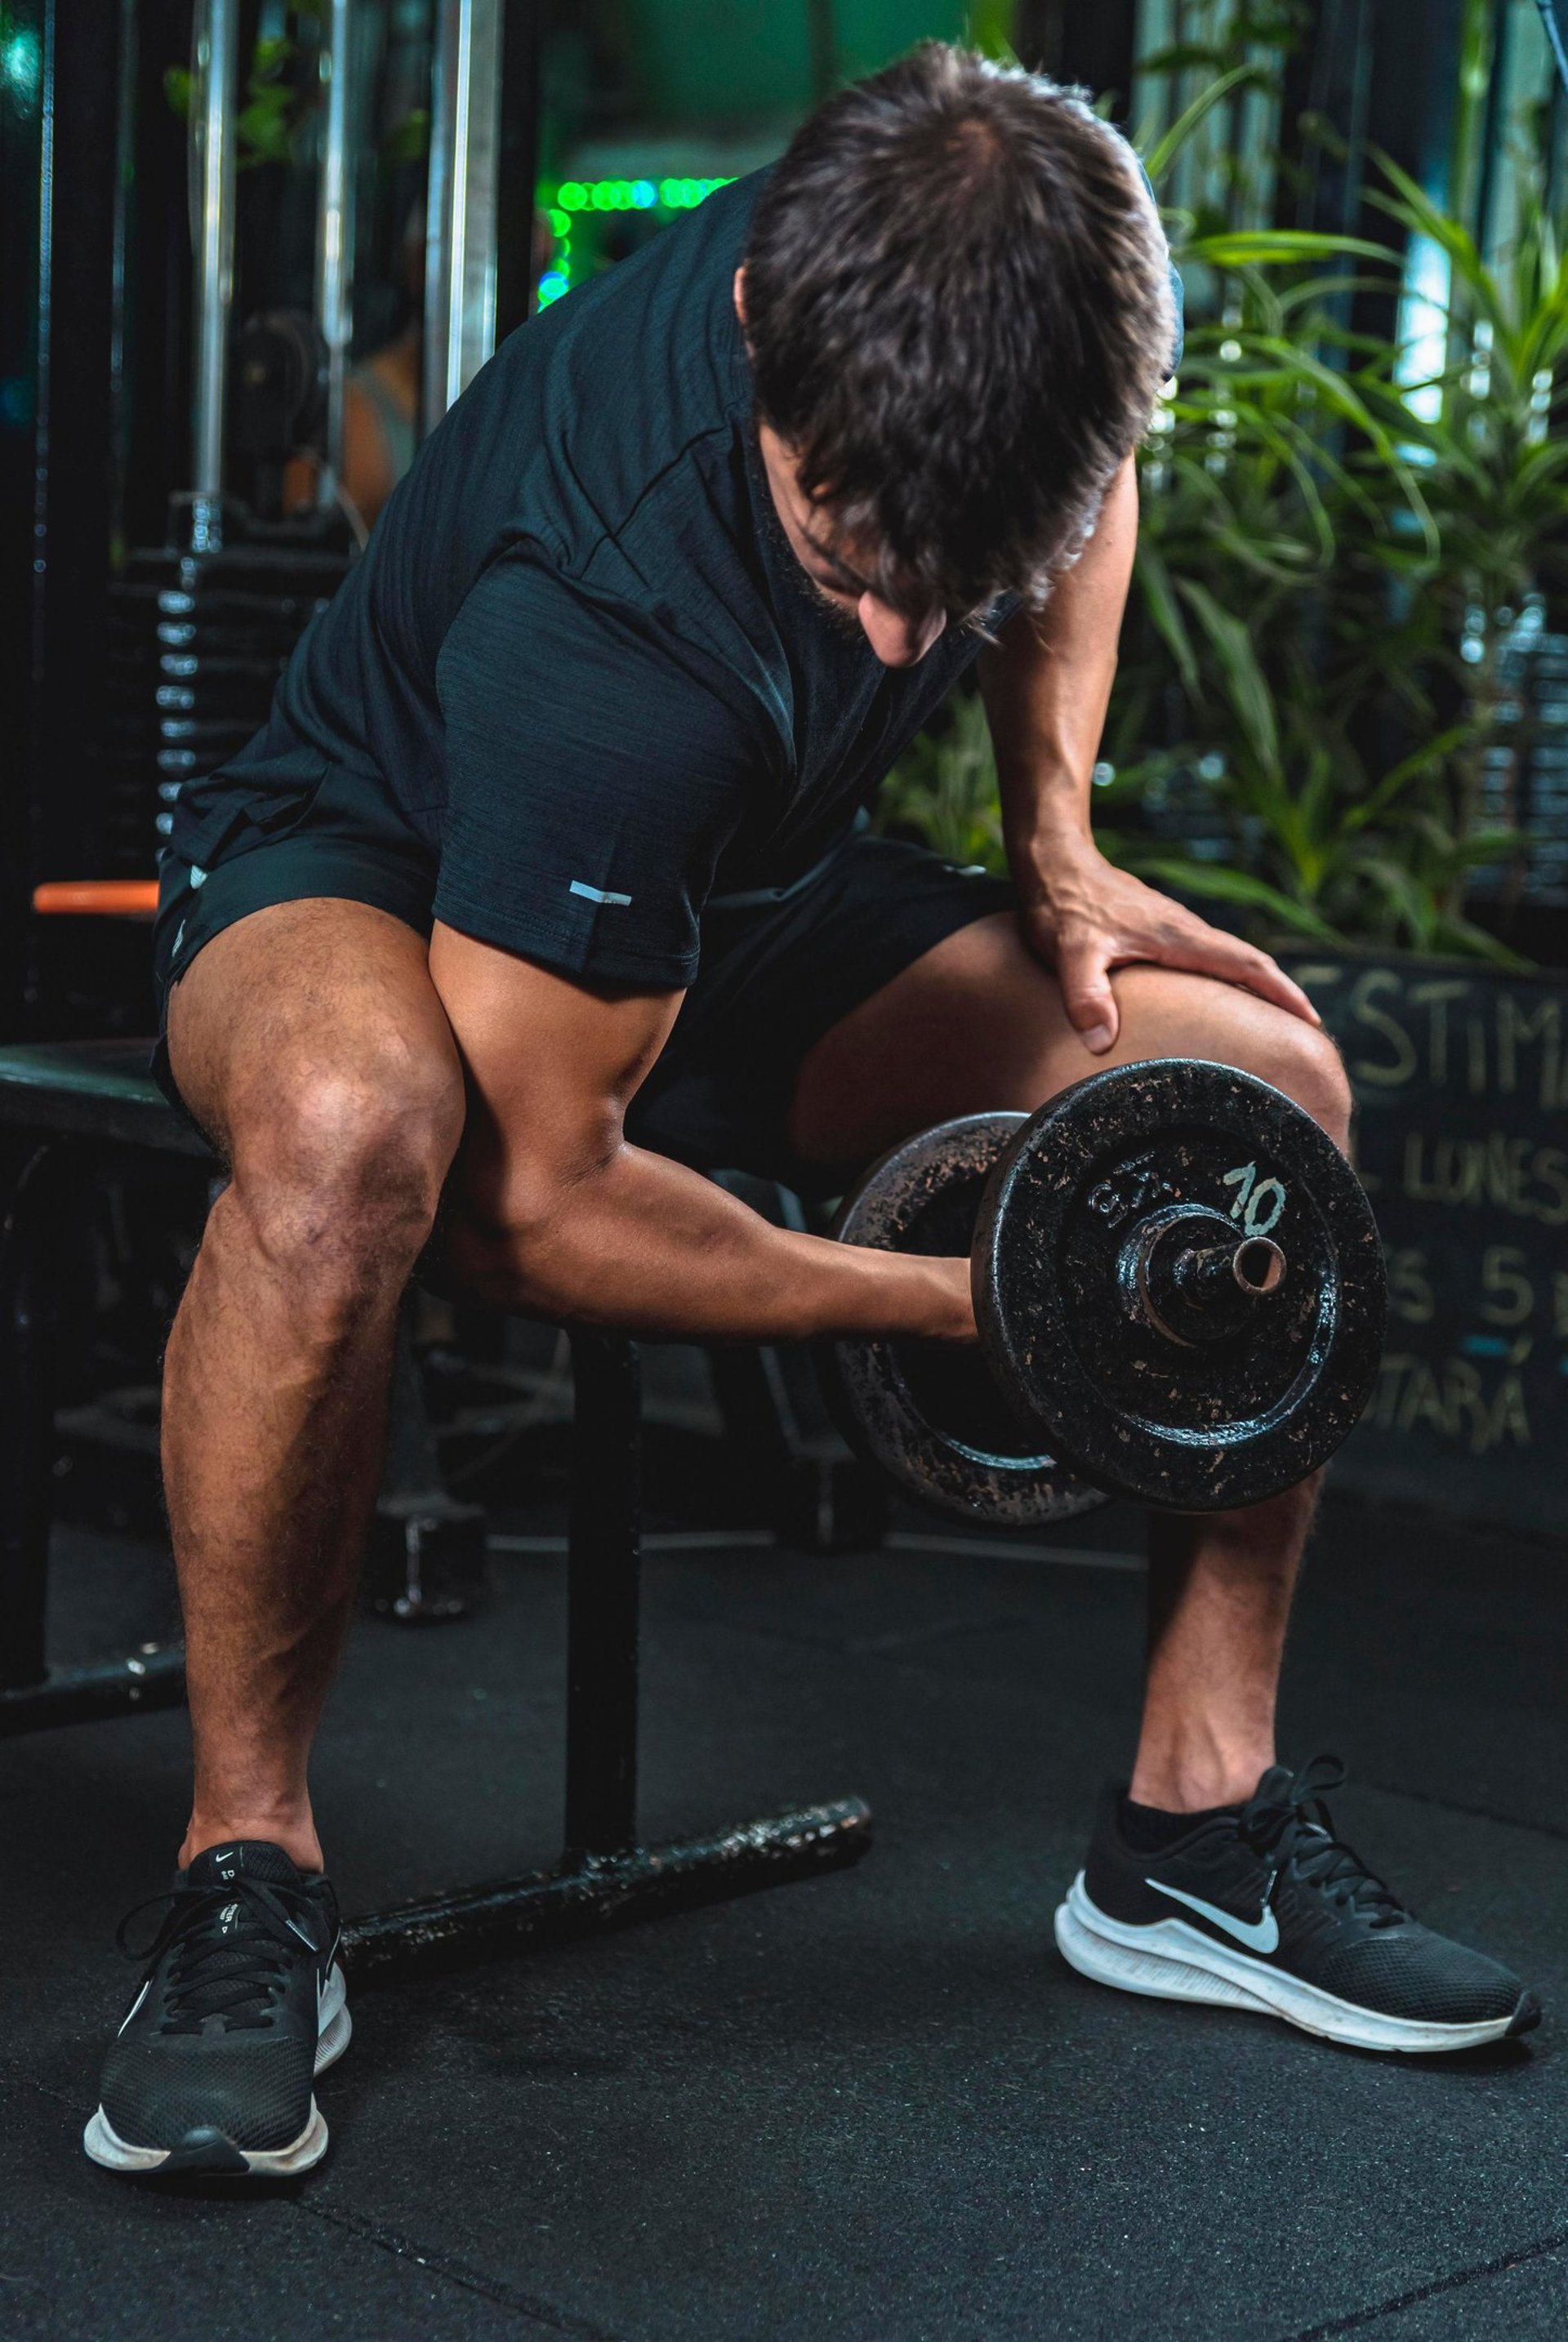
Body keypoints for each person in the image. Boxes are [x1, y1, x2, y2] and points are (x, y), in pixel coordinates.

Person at [85, 47, 1536, 2181]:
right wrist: (975, 1303)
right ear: (763, 313)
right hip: (361, 867)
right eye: (846, 543)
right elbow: (532, 1215)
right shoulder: (610, 605)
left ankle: (1192, 1829)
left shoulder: (1022, 287)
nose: (883, 626)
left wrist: (1053, 830)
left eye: (938, 586)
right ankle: (245, 1872)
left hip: (720, 892)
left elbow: (1101, 469)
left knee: (1264, 1096)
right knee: (355, 1126)